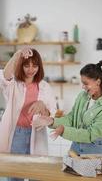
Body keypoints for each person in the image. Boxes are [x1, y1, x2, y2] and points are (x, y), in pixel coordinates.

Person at [33, 60, 102, 155]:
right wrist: (52, 121)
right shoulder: (83, 96)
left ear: (98, 82)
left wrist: (64, 130)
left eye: (86, 83)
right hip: (75, 148)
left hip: (95, 151)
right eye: (82, 83)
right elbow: (71, 119)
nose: (83, 87)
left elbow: (91, 134)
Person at [0, 47, 56, 181]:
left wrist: (43, 106)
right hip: (16, 135)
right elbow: (4, 76)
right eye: (27, 65)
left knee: (37, 175)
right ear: (21, 65)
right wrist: (17, 55)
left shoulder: (45, 87)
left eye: (35, 65)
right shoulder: (14, 84)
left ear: (39, 66)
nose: (31, 69)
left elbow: (52, 114)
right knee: (15, 175)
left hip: (36, 134)